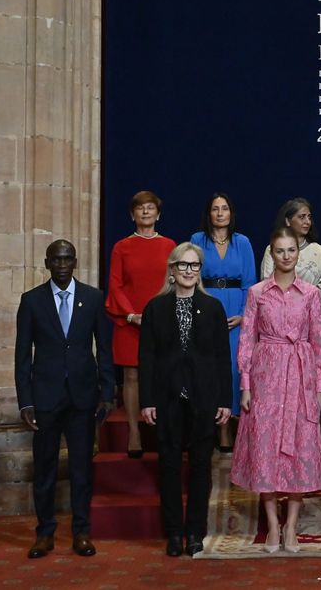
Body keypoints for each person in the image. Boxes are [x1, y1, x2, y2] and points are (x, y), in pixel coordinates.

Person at [231, 228, 321, 554]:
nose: (286, 256)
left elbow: (319, 342)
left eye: (291, 250)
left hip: (300, 377)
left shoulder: (311, 294)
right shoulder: (258, 292)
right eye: (280, 251)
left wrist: (318, 387)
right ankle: (272, 524)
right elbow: (247, 340)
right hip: (266, 377)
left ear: (297, 254)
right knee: (265, 447)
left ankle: (292, 526)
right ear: (271, 254)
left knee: (299, 449)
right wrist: (245, 384)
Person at [15, 240, 115, 559]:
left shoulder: (94, 298)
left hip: (84, 398)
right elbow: (22, 357)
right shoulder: (31, 301)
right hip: (44, 399)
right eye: (56, 259)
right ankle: (44, 533)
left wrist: (108, 393)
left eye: (67, 258)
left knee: (81, 468)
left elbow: (105, 350)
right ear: (46, 263)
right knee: (44, 468)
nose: (61, 264)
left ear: (75, 262)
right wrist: (25, 401)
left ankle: (82, 532)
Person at [139, 243, 233, 557]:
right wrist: (147, 400)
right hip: (166, 400)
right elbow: (147, 358)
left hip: (203, 400)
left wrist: (224, 400)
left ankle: (195, 532)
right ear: (172, 269)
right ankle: (174, 533)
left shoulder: (213, 307)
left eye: (194, 266)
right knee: (168, 468)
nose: (189, 271)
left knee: (200, 468)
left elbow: (223, 358)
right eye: (183, 265)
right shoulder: (155, 308)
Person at [105, 190, 175, 458]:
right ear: (132, 214)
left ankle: (161, 430)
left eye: (150, 208)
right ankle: (134, 432)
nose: (145, 212)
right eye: (140, 208)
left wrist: (158, 313)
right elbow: (115, 284)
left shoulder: (169, 245)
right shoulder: (122, 246)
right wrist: (131, 314)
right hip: (130, 321)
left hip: (161, 320)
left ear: (158, 214)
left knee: (163, 375)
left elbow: (173, 282)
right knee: (131, 376)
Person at [190, 192, 256, 452]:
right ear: (209, 214)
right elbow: (192, 277)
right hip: (206, 307)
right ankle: (211, 427)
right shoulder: (197, 240)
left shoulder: (243, 242)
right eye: (215, 209)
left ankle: (230, 428)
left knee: (234, 369)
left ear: (231, 213)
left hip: (235, 314)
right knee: (208, 368)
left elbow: (250, 283)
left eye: (224, 208)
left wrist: (243, 315)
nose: (220, 213)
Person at [260, 198, 321, 346]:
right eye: (301, 217)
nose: (307, 221)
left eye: (309, 217)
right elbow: (266, 285)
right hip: (279, 325)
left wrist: (305, 295)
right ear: (288, 221)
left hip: (311, 324)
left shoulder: (318, 252)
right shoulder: (272, 250)